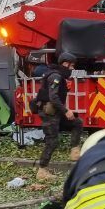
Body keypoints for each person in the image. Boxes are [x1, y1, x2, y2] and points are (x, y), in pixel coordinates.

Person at [34, 52, 82, 180]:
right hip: (49, 114)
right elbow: (53, 97)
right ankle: (42, 171)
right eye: (71, 66)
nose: (72, 69)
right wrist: (66, 111)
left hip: (56, 113)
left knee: (77, 122)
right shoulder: (55, 76)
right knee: (52, 141)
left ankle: (75, 152)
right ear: (65, 64)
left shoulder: (58, 75)